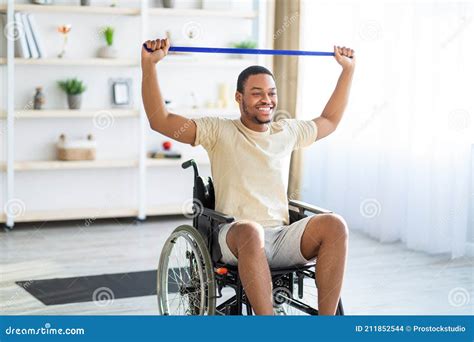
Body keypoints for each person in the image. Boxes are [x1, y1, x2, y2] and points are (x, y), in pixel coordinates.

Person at [141, 38, 355, 315]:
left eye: (271, 93)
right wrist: (149, 66)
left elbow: (330, 120)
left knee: (335, 225)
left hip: (280, 236)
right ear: (239, 98)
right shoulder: (219, 131)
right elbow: (160, 121)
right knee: (251, 230)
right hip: (235, 235)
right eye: (256, 93)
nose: (266, 100)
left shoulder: (287, 132)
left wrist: (347, 71)